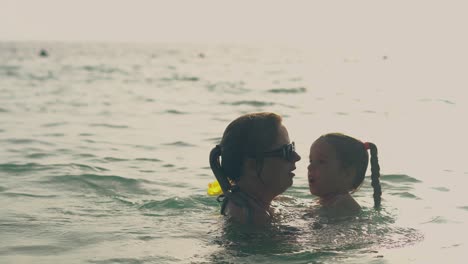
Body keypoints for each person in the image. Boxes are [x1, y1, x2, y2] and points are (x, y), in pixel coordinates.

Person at [209, 112, 301, 225]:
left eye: (292, 147)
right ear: (252, 165)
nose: (297, 157)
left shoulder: (251, 202)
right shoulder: (252, 219)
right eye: (286, 151)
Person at [307, 133, 382, 217]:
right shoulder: (327, 202)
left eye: (321, 162)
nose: (310, 167)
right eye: (311, 161)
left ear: (347, 174)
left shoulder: (343, 205)